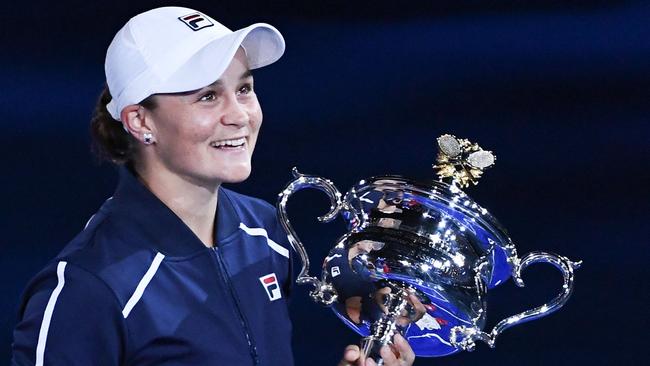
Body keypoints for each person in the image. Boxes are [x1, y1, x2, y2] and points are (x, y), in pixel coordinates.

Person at [11, 6, 414, 366]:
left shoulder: (265, 231)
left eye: (244, 88)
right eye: (207, 96)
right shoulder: (88, 287)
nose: (239, 116)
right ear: (140, 121)